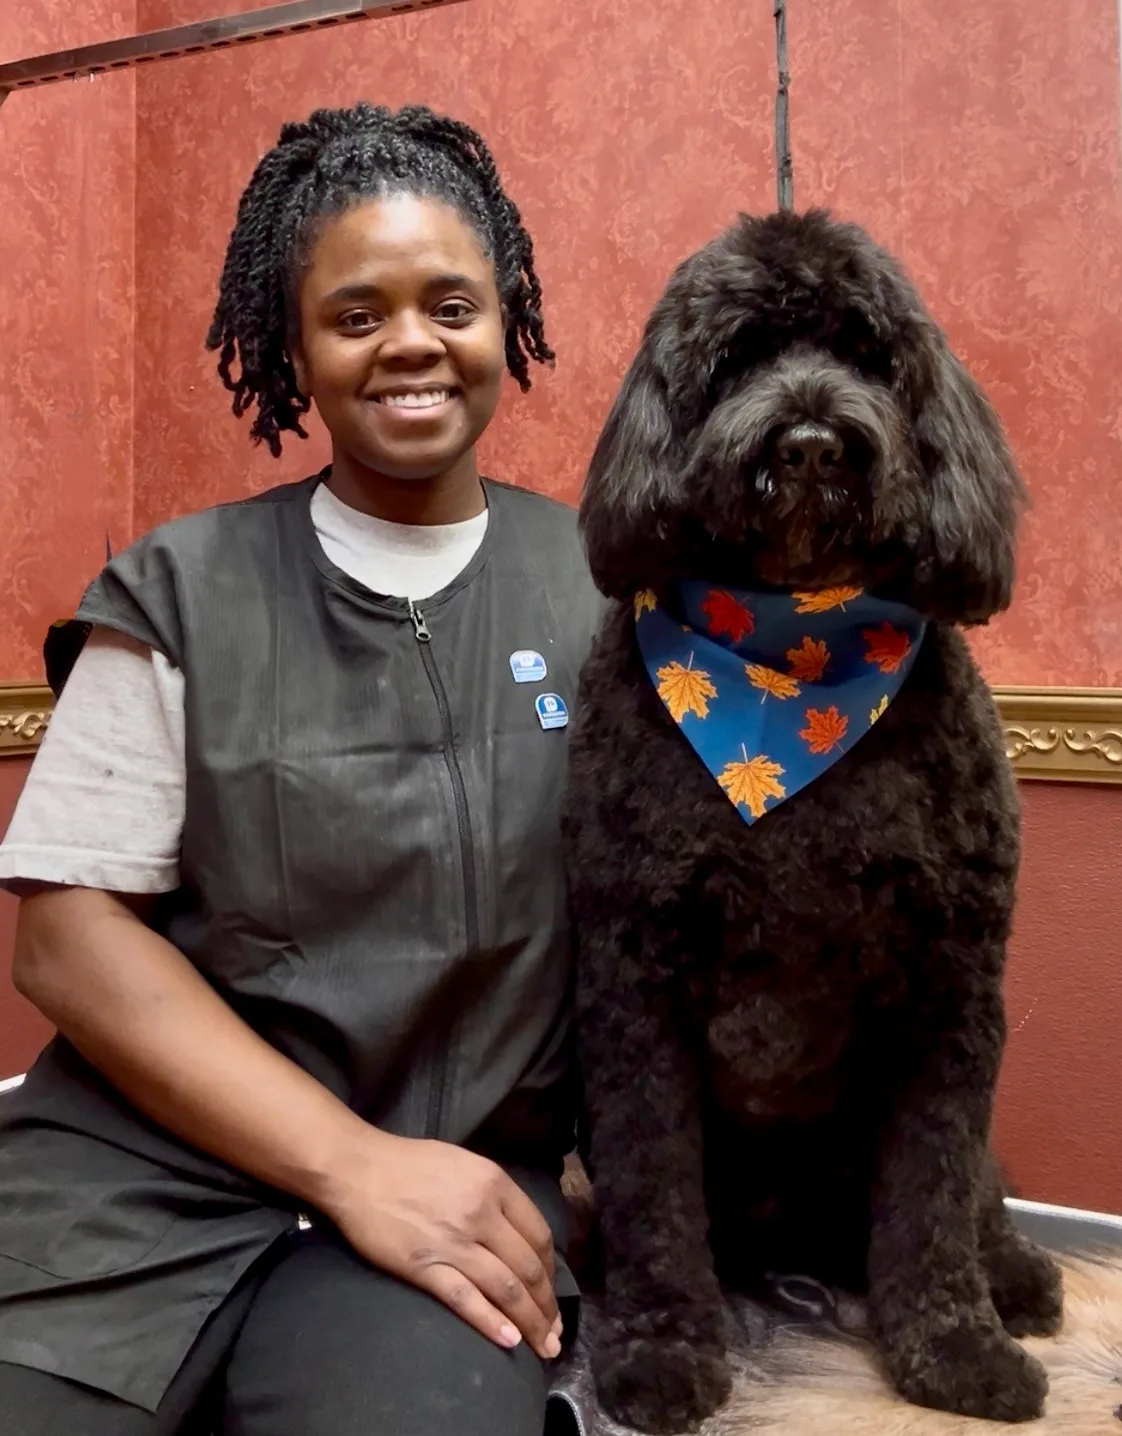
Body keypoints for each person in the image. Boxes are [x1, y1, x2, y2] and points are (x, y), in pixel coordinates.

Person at [0, 102, 602, 1436]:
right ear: (295, 347)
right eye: (355, 312)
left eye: (449, 303)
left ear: (504, 319)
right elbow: (65, 943)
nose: (408, 344)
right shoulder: (176, 588)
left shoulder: (607, 592)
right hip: (131, 1183)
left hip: (448, 1201)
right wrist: (346, 1164)